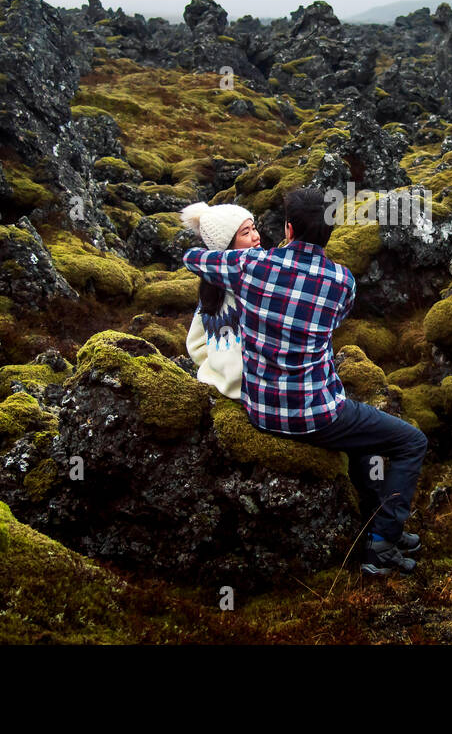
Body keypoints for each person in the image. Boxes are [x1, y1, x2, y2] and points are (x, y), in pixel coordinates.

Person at [181, 187, 428, 576]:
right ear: (330, 232)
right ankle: (383, 545)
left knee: (362, 440)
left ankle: (375, 522)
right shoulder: (342, 282)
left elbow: (192, 258)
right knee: (412, 441)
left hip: (260, 410)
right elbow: (332, 321)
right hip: (316, 415)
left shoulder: (251, 266)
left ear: (289, 229)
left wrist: (228, 252)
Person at [179, 202, 261, 399]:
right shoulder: (256, 282)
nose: (256, 236)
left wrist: (216, 366)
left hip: (215, 385)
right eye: (245, 232)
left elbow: (195, 345)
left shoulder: (210, 287)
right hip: (252, 391)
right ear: (227, 245)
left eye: (254, 227)